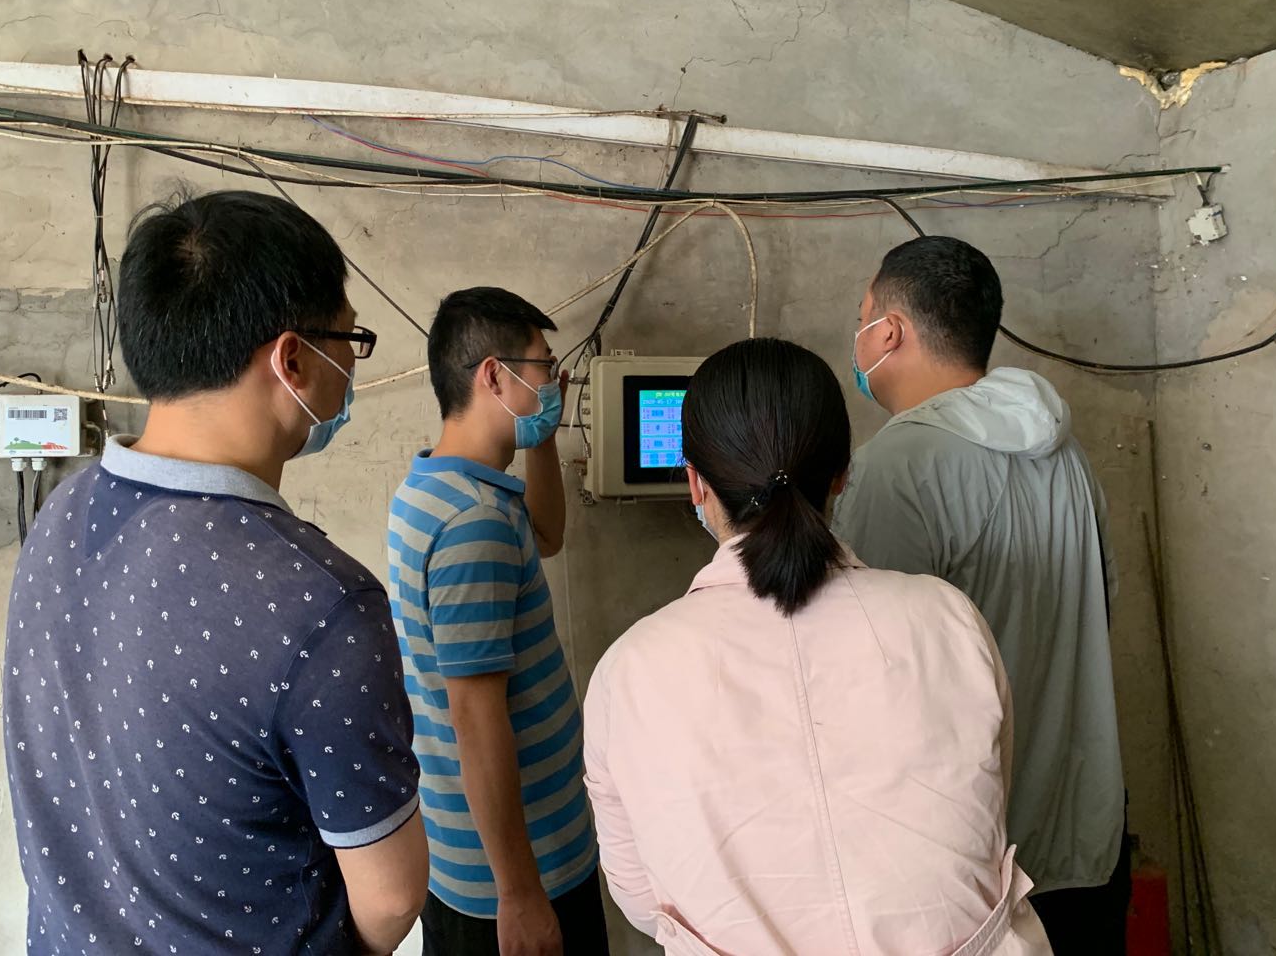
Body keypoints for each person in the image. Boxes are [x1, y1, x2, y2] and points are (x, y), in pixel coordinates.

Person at [1, 190, 429, 955]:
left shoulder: (60, 515)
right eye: (350, 340)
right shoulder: (322, 604)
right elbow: (392, 896)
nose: (349, 368)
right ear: (292, 360)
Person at [582, 337, 1049, 955]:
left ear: (695, 483)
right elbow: (987, 813)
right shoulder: (948, 617)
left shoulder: (630, 670)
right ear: (842, 474)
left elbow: (644, 900)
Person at [832, 235, 1129, 954]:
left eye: (864, 316)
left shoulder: (896, 468)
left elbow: (873, 675)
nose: (859, 334)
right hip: (1085, 840)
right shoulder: (1064, 450)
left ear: (889, 332)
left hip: (978, 870)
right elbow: (1101, 604)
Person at [388, 287, 608, 956]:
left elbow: (548, 534)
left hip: (482, 852)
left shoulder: (441, 486)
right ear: (494, 375)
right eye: (544, 366)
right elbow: (476, 717)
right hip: (517, 875)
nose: (554, 381)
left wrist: (541, 437)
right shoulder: (473, 523)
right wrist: (520, 894)